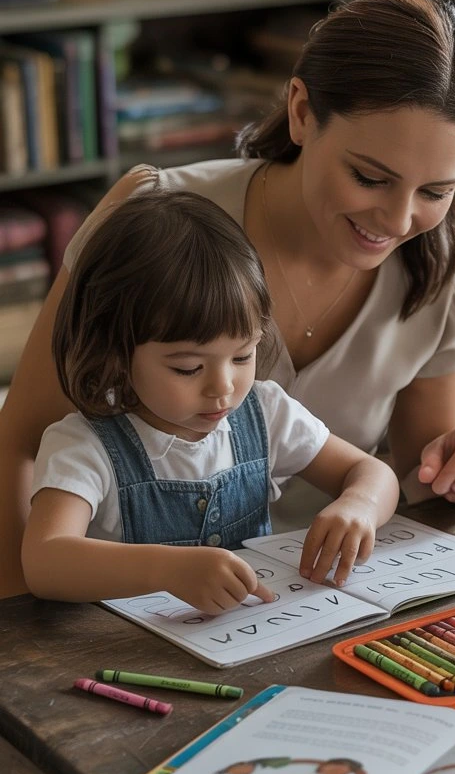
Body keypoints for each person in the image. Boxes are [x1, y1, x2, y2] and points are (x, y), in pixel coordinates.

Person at [0, 0, 455, 600]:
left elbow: (415, 482)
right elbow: (19, 444)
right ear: (301, 110)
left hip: (299, 600)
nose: (399, 221)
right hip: (111, 598)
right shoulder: (153, 224)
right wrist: (20, 641)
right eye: (370, 177)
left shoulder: (444, 272)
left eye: (437, 191)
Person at [22, 191, 400, 609]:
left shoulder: (265, 413)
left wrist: (360, 503)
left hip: (252, 640)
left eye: (243, 356)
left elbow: (371, 471)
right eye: (187, 368)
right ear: (116, 351)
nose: (223, 387)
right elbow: (45, 560)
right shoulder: (84, 446)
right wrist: (166, 570)